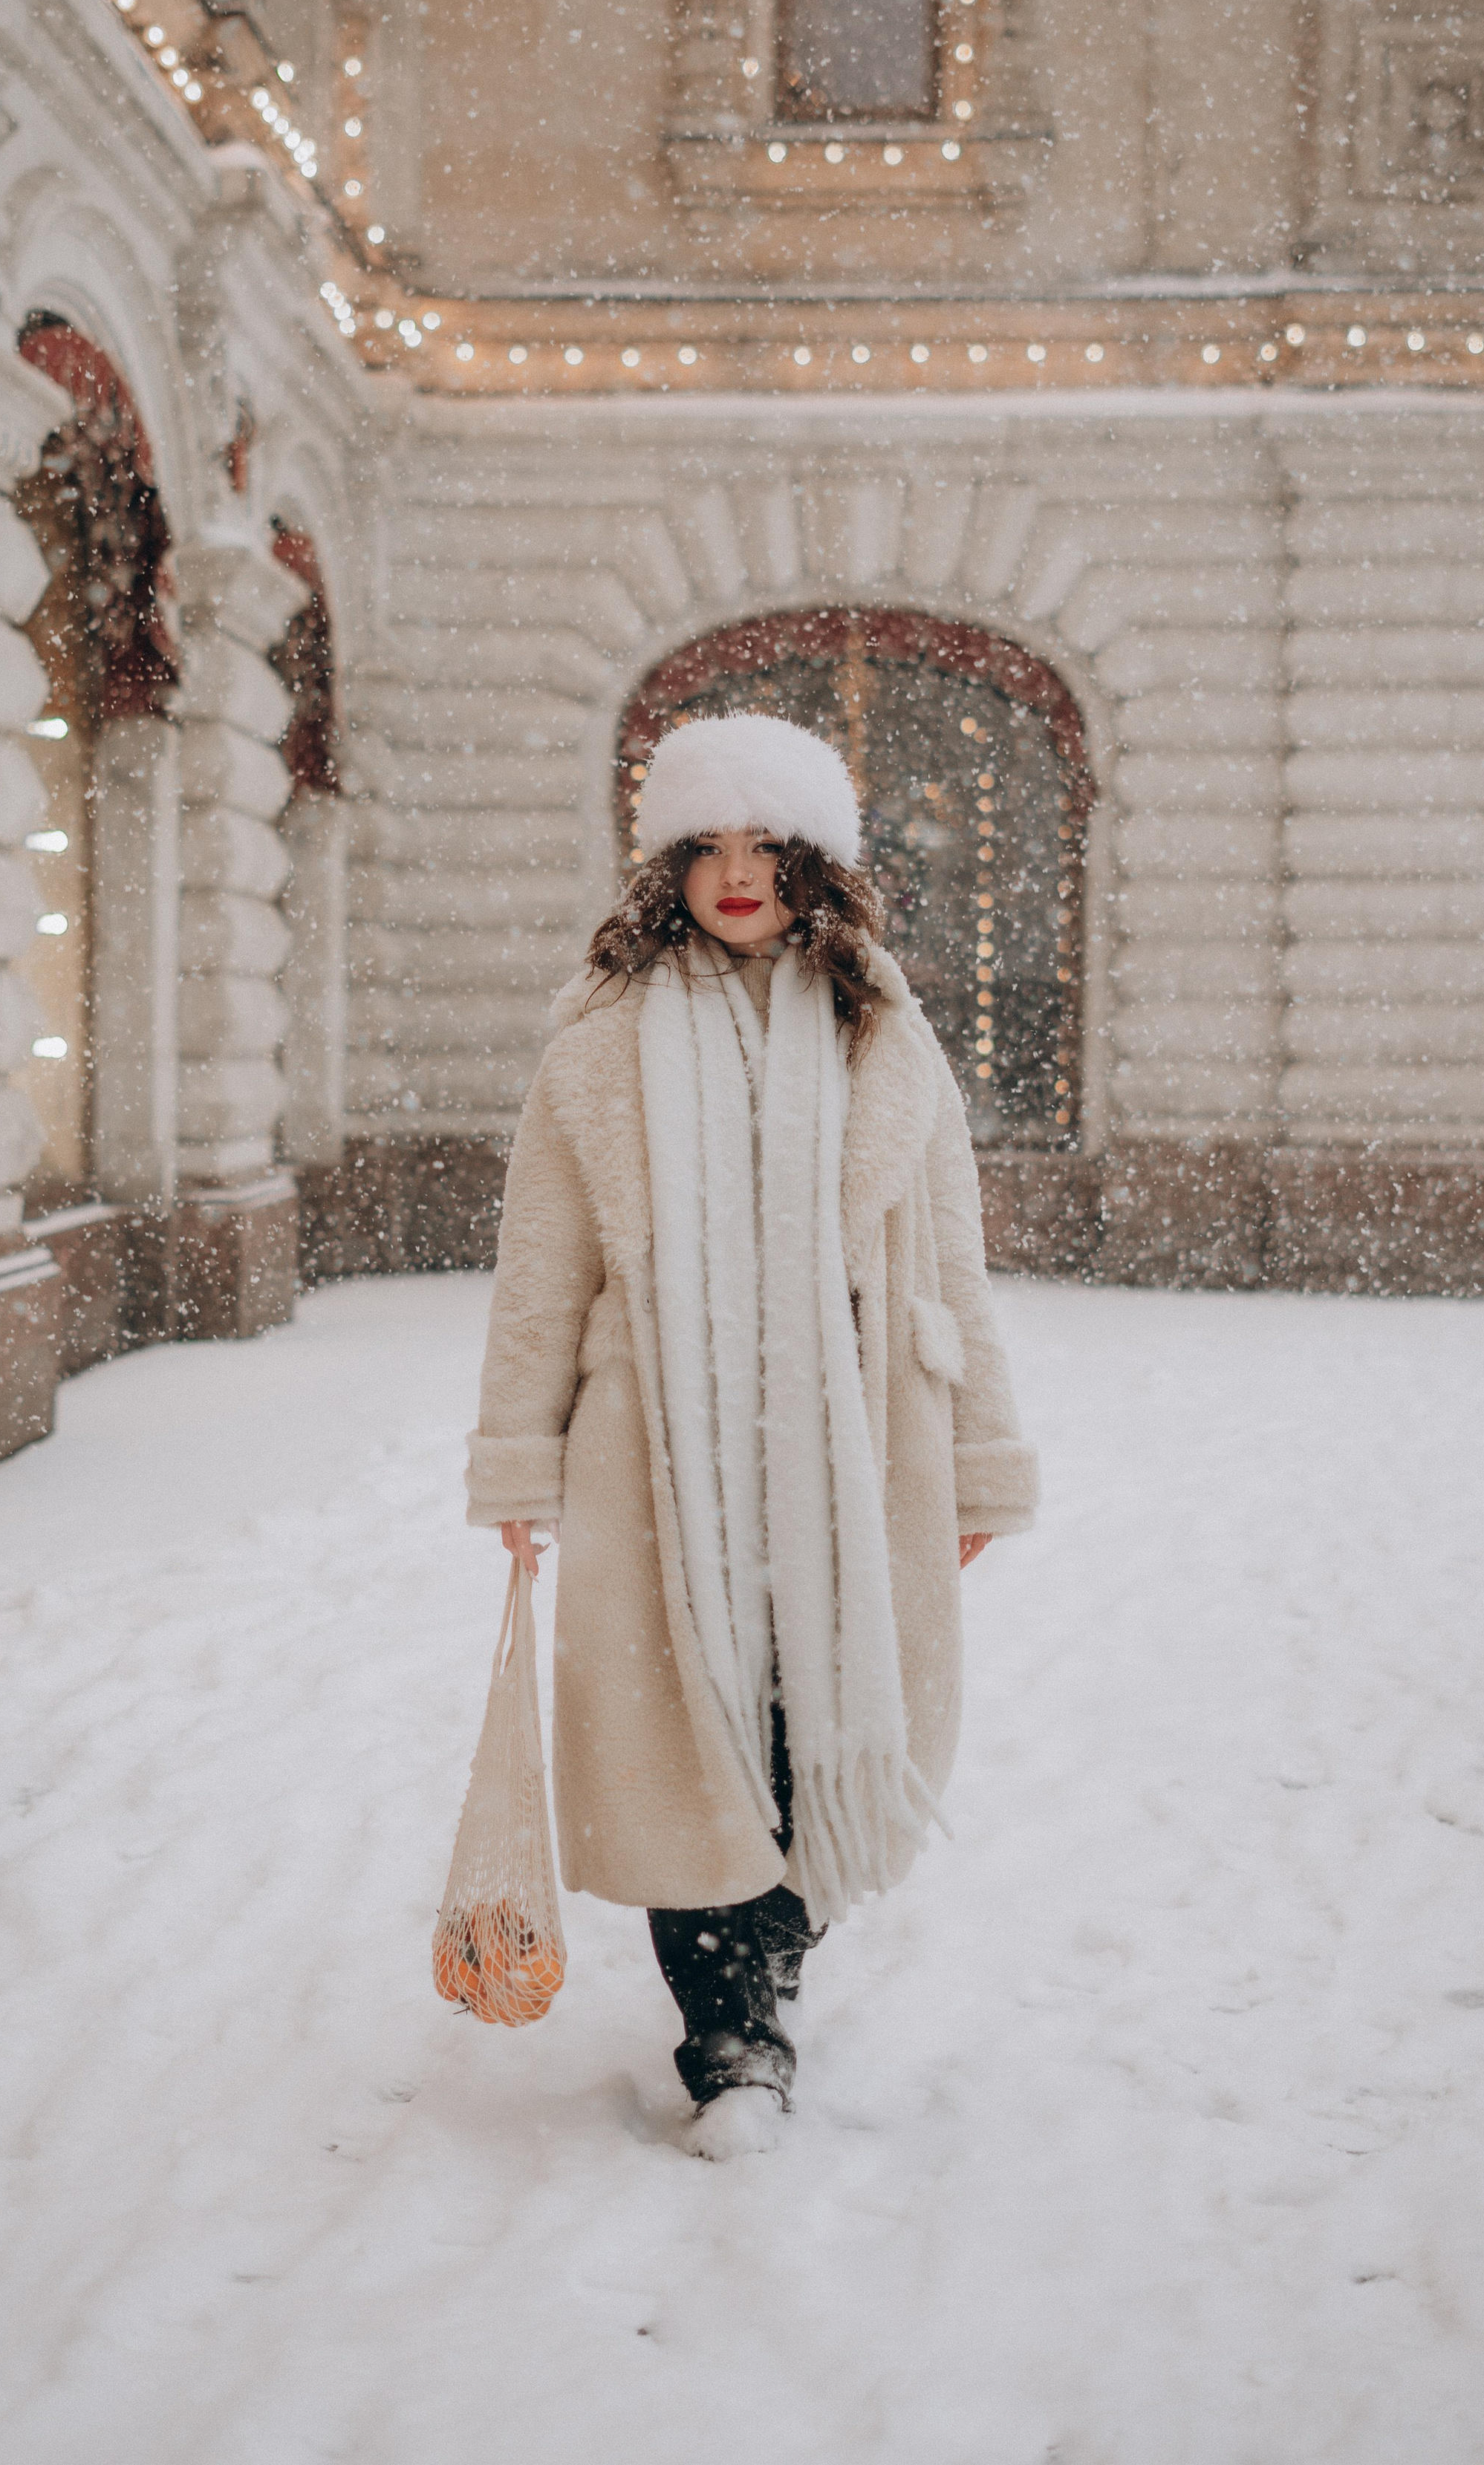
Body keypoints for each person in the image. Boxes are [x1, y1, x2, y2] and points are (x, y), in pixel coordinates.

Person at [462, 713, 1039, 2158]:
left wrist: (979, 1454)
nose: (732, 876)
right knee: (685, 1740)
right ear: (666, 867)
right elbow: (541, 1269)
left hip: (855, 1450)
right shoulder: (597, 1041)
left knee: (827, 1738)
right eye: (703, 848)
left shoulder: (881, 1033)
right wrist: (520, 1460)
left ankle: (769, 1961)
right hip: (658, 1452)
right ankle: (732, 2037)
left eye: (761, 849)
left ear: (812, 868)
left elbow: (951, 1262)